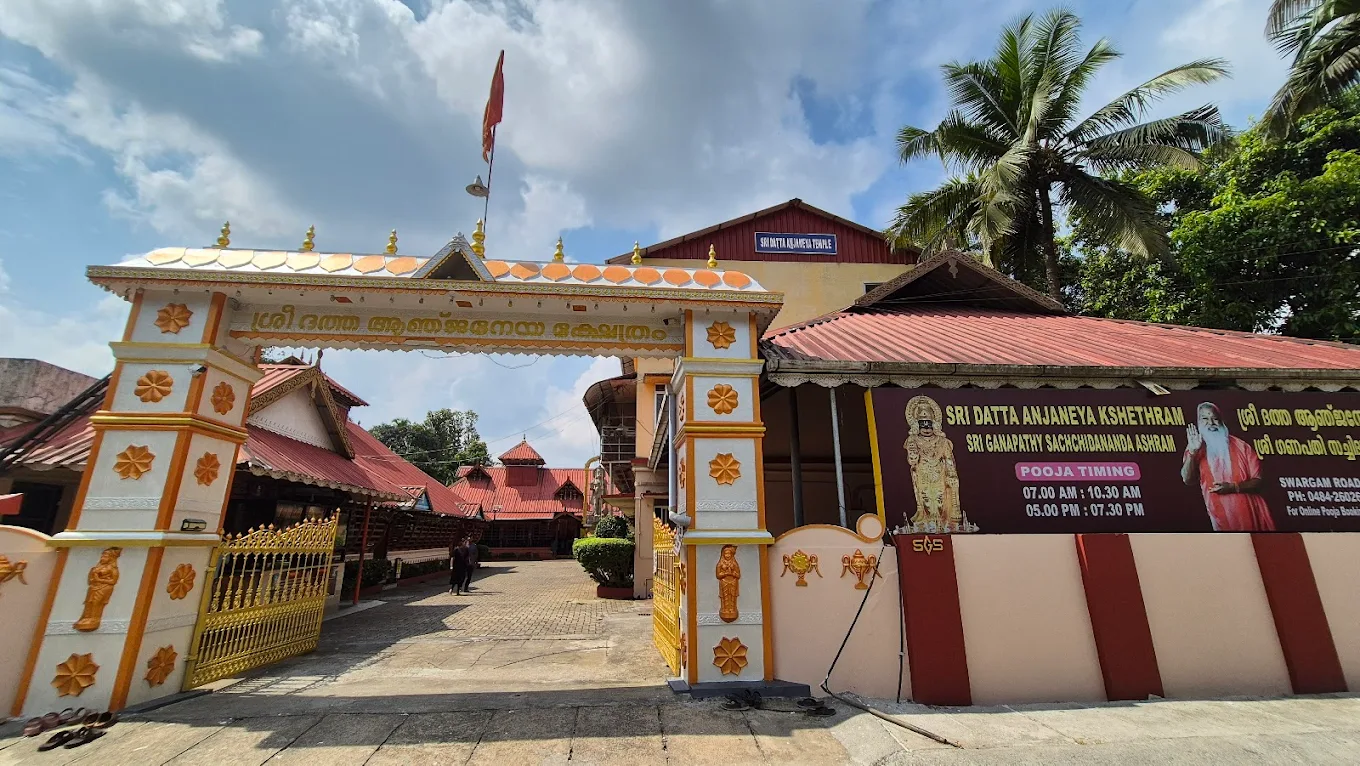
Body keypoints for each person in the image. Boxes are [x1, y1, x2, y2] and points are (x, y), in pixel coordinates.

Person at [1181, 402, 1275, 531]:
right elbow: (1187, 479)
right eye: (1205, 419)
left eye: (1215, 419)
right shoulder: (1196, 447)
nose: (1211, 423)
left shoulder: (1242, 447)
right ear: (1198, 422)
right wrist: (1192, 453)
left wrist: (1233, 487)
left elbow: (1259, 482)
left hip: (1251, 516)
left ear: (1221, 422)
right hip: (1219, 516)